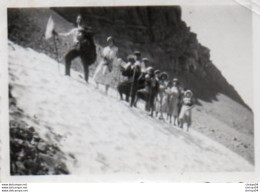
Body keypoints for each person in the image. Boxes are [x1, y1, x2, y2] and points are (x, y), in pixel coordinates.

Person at [57, 14, 96, 83]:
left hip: (84, 49)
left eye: (80, 19)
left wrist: (84, 31)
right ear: (76, 20)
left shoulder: (85, 29)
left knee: (85, 64)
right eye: (78, 19)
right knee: (67, 57)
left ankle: (86, 80)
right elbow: (66, 34)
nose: (79, 21)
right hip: (77, 48)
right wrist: (57, 34)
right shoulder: (75, 30)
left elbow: (92, 33)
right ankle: (67, 74)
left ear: (83, 21)